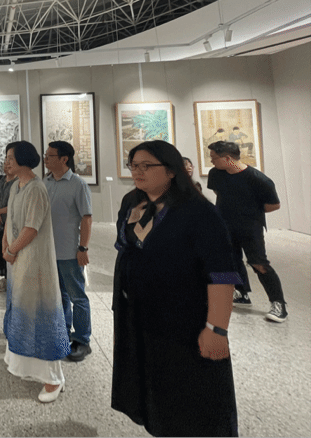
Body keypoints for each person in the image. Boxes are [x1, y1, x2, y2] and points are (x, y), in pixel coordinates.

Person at [112, 141, 240, 437]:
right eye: (134, 165)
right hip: (140, 316)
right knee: (153, 388)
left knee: (190, 396)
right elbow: (127, 248)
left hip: (183, 319)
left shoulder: (198, 212)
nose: (137, 172)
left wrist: (216, 328)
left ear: (171, 171)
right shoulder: (132, 202)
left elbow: (221, 275)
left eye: (147, 166)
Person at [2, 141, 71, 403]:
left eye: (10, 158)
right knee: (21, 312)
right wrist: (5, 245)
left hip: (34, 262)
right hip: (17, 260)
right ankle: (25, 365)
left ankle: (53, 378)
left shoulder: (36, 188)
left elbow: (31, 228)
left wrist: (12, 249)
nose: (7, 162)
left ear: (23, 159)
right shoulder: (16, 186)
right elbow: (10, 221)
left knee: (40, 316)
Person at [207, 140, 286, 322]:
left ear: (228, 158)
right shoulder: (215, 174)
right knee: (230, 260)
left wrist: (247, 211)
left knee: (258, 264)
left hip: (250, 227)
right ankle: (241, 293)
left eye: (214, 158)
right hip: (225, 226)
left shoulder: (259, 180)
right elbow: (221, 194)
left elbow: (274, 205)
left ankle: (278, 303)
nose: (211, 161)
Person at [42, 141, 93, 362]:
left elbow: (87, 218)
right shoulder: (45, 182)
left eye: (50, 155)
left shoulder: (78, 184)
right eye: (45, 155)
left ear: (64, 159)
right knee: (59, 295)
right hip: (48, 250)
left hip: (70, 251)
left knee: (77, 296)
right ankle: (62, 333)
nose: (45, 159)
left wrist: (83, 248)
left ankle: (82, 340)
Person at [0, 143, 18, 293]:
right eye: (5, 162)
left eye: (9, 162)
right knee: (0, 249)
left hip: (11, 221)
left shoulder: (18, 182)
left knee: (11, 248)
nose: (6, 165)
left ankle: (13, 279)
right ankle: (5, 278)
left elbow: (15, 205)